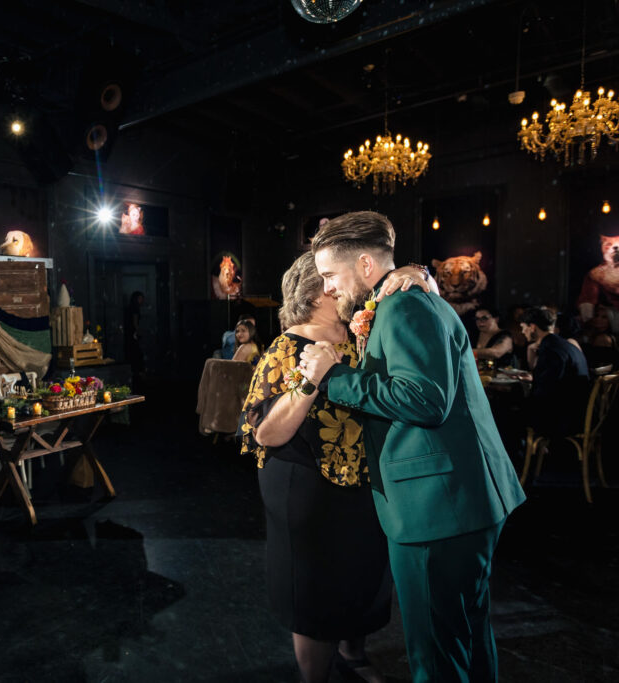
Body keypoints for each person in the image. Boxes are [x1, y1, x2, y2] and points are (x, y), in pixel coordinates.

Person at [301, 210, 526, 683]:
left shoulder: (404, 306)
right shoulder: (408, 297)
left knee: (436, 656)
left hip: (437, 507)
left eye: (329, 275)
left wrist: (333, 377)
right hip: (463, 501)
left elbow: (425, 400)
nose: (326, 288)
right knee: (465, 633)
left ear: (365, 265)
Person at [239, 253, 434, 683]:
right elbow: (266, 434)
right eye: (332, 279)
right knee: (317, 587)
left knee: (364, 574)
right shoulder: (287, 346)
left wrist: (415, 272)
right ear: (316, 291)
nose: (348, 288)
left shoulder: (362, 330)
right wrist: (309, 382)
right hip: (307, 487)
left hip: (365, 480)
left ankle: (354, 654)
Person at [519, 306, 590, 438]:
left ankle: (522, 457)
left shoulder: (551, 349)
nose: (523, 332)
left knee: (506, 413)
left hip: (565, 418)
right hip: (576, 410)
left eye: (523, 327)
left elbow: (545, 392)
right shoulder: (563, 344)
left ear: (533, 327)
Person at [124, 291, 145, 376]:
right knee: (136, 353)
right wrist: (137, 330)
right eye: (140, 298)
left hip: (130, 334)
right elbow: (135, 322)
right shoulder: (134, 308)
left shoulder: (131, 308)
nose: (142, 300)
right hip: (132, 334)